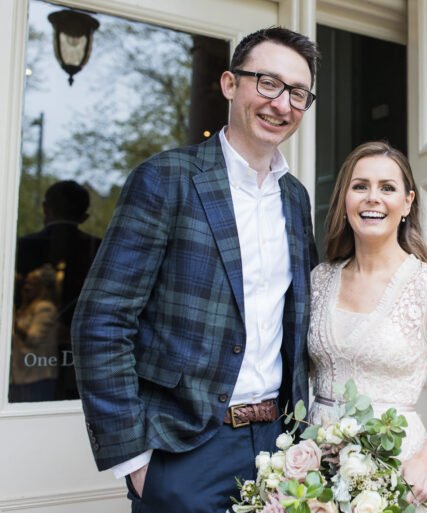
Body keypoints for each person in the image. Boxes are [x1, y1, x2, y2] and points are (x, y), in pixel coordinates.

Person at [71, 27, 319, 513]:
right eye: (267, 83)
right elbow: (101, 321)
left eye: (297, 93)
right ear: (230, 84)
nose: (282, 104)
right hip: (184, 452)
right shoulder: (165, 179)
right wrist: (136, 461)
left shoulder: (296, 198)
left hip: (279, 449)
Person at [308, 141, 427, 511]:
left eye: (387, 188)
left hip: (392, 475)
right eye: (360, 186)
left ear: (407, 203)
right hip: (317, 472)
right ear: (345, 198)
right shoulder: (319, 280)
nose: (372, 198)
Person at [15, 180, 101, 400]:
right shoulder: (98, 248)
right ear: (84, 218)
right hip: (85, 343)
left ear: (45, 209)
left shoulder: (24, 246)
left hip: (33, 352)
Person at [9, 264, 59, 402]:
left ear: (42, 287)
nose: (27, 287)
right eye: (26, 283)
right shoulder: (26, 308)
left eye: (32, 284)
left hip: (37, 377)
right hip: (21, 376)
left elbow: (33, 338)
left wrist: (11, 321)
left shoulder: (45, 308)